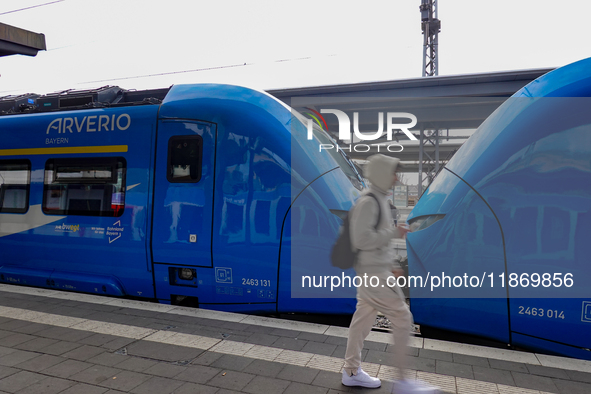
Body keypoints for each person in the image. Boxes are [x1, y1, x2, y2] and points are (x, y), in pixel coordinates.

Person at [341, 154, 439, 393]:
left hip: (375, 270)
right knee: (403, 319)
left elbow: (379, 240)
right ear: (383, 174)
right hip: (373, 273)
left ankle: (351, 371)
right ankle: (403, 381)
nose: (396, 178)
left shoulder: (379, 200)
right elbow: (362, 239)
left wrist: (392, 264)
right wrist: (393, 234)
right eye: (394, 173)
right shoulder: (369, 202)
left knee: (362, 320)